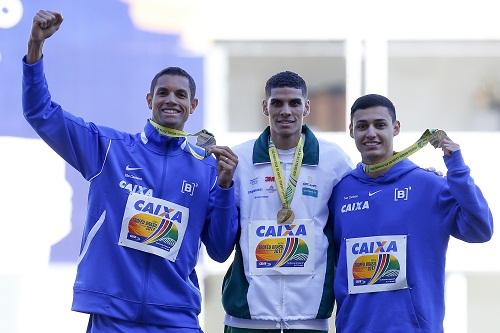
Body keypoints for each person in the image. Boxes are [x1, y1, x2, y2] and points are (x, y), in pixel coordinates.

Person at [23, 10, 239, 333]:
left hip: (176, 318)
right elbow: (41, 113)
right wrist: (35, 46)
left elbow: (221, 251)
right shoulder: (108, 148)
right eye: (163, 93)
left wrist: (224, 188)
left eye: (181, 94)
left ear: (193, 106)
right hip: (113, 318)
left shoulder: (208, 168)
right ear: (149, 100)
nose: (171, 100)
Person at [329, 94, 494, 332]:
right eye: (362, 126)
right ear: (351, 131)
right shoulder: (340, 191)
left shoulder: (428, 185)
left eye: (380, 125)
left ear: (395, 128)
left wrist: (457, 168)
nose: (371, 133)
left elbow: (481, 230)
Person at [222, 71, 353, 332]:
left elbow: (359, 204)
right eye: (277, 103)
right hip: (248, 317)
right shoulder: (240, 159)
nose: (286, 111)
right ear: (264, 106)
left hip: (309, 317)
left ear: (307, 106)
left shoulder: (334, 160)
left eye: (294, 103)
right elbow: (221, 234)